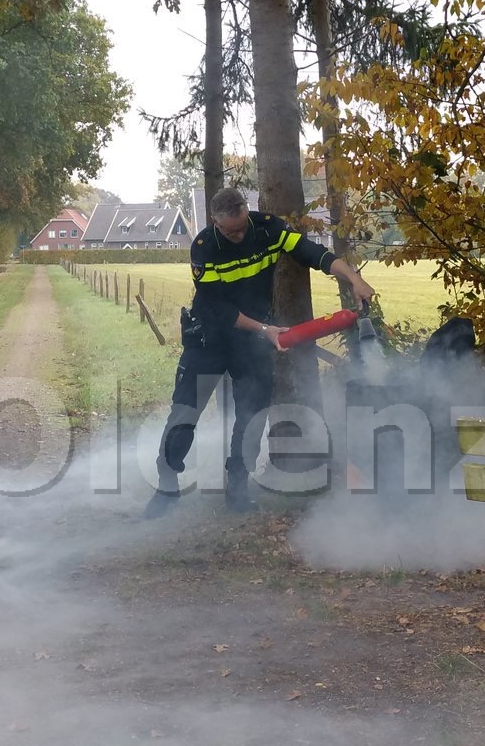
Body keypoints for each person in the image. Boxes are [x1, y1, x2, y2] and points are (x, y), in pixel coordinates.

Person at [144, 189, 376, 516]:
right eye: (230, 231)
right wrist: (265, 330)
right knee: (184, 414)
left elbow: (313, 253)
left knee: (252, 416)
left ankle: (238, 484)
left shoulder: (268, 228)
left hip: (249, 343)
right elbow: (216, 307)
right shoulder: (203, 247)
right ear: (215, 222)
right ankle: (166, 487)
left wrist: (353, 277)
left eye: (241, 228)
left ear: (246, 212)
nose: (238, 236)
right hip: (208, 339)